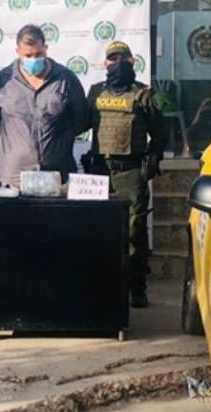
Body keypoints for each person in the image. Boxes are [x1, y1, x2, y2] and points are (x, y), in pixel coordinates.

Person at [83, 41, 166, 308]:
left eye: (123, 58)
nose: (117, 62)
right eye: (112, 58)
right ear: (105, 63)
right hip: (99, 170)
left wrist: (153, 158)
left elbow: (161, 133)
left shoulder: (143, 94)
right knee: (97, 228)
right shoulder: (95, 92)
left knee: (134, 230)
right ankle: (101, 284)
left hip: (130, 170)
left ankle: (136, 286)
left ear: (132, 62)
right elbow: (81, 123)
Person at [0, 24, 89, 189]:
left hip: (56, 177)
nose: (33, 59)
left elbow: (82, 120)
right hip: (13, 178)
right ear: (18, 51)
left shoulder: (66, 78)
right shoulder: (3, 80)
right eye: (28, 55)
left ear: (46, 49)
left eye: (38, 54)